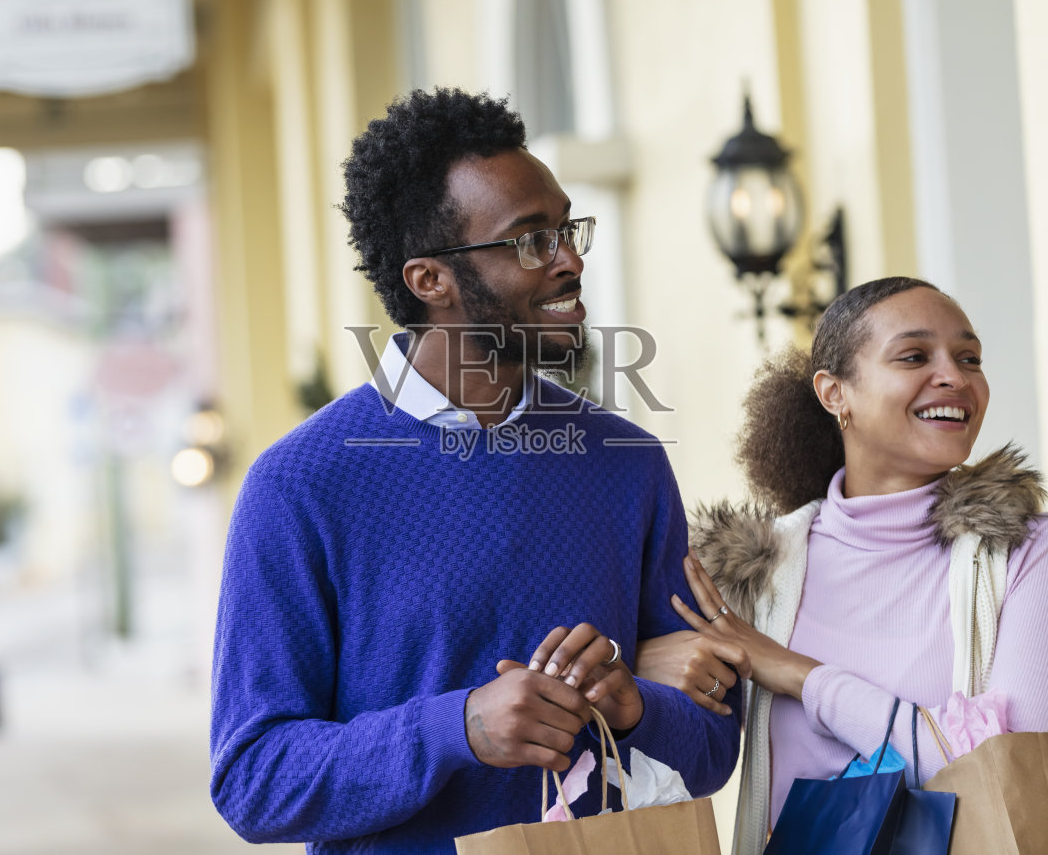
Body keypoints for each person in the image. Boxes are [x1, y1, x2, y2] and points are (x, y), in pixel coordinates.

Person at [209, 88, 739, 853]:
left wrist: (635, 707)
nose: (570, 259)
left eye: (566, 227)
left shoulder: (628, 464)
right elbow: (253, 779)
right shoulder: (300, 486)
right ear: (430, 280)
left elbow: (715, 749)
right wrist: (459, 728)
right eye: (530, 240)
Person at [635, 276, 1048, 854]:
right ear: (834, 393)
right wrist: (643, 665)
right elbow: (679, 760)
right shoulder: (752, 574)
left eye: (970, 358)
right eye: (914, 355)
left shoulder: (1029, 552)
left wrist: (799, 675)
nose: (955, 375)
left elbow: (1011, 773)